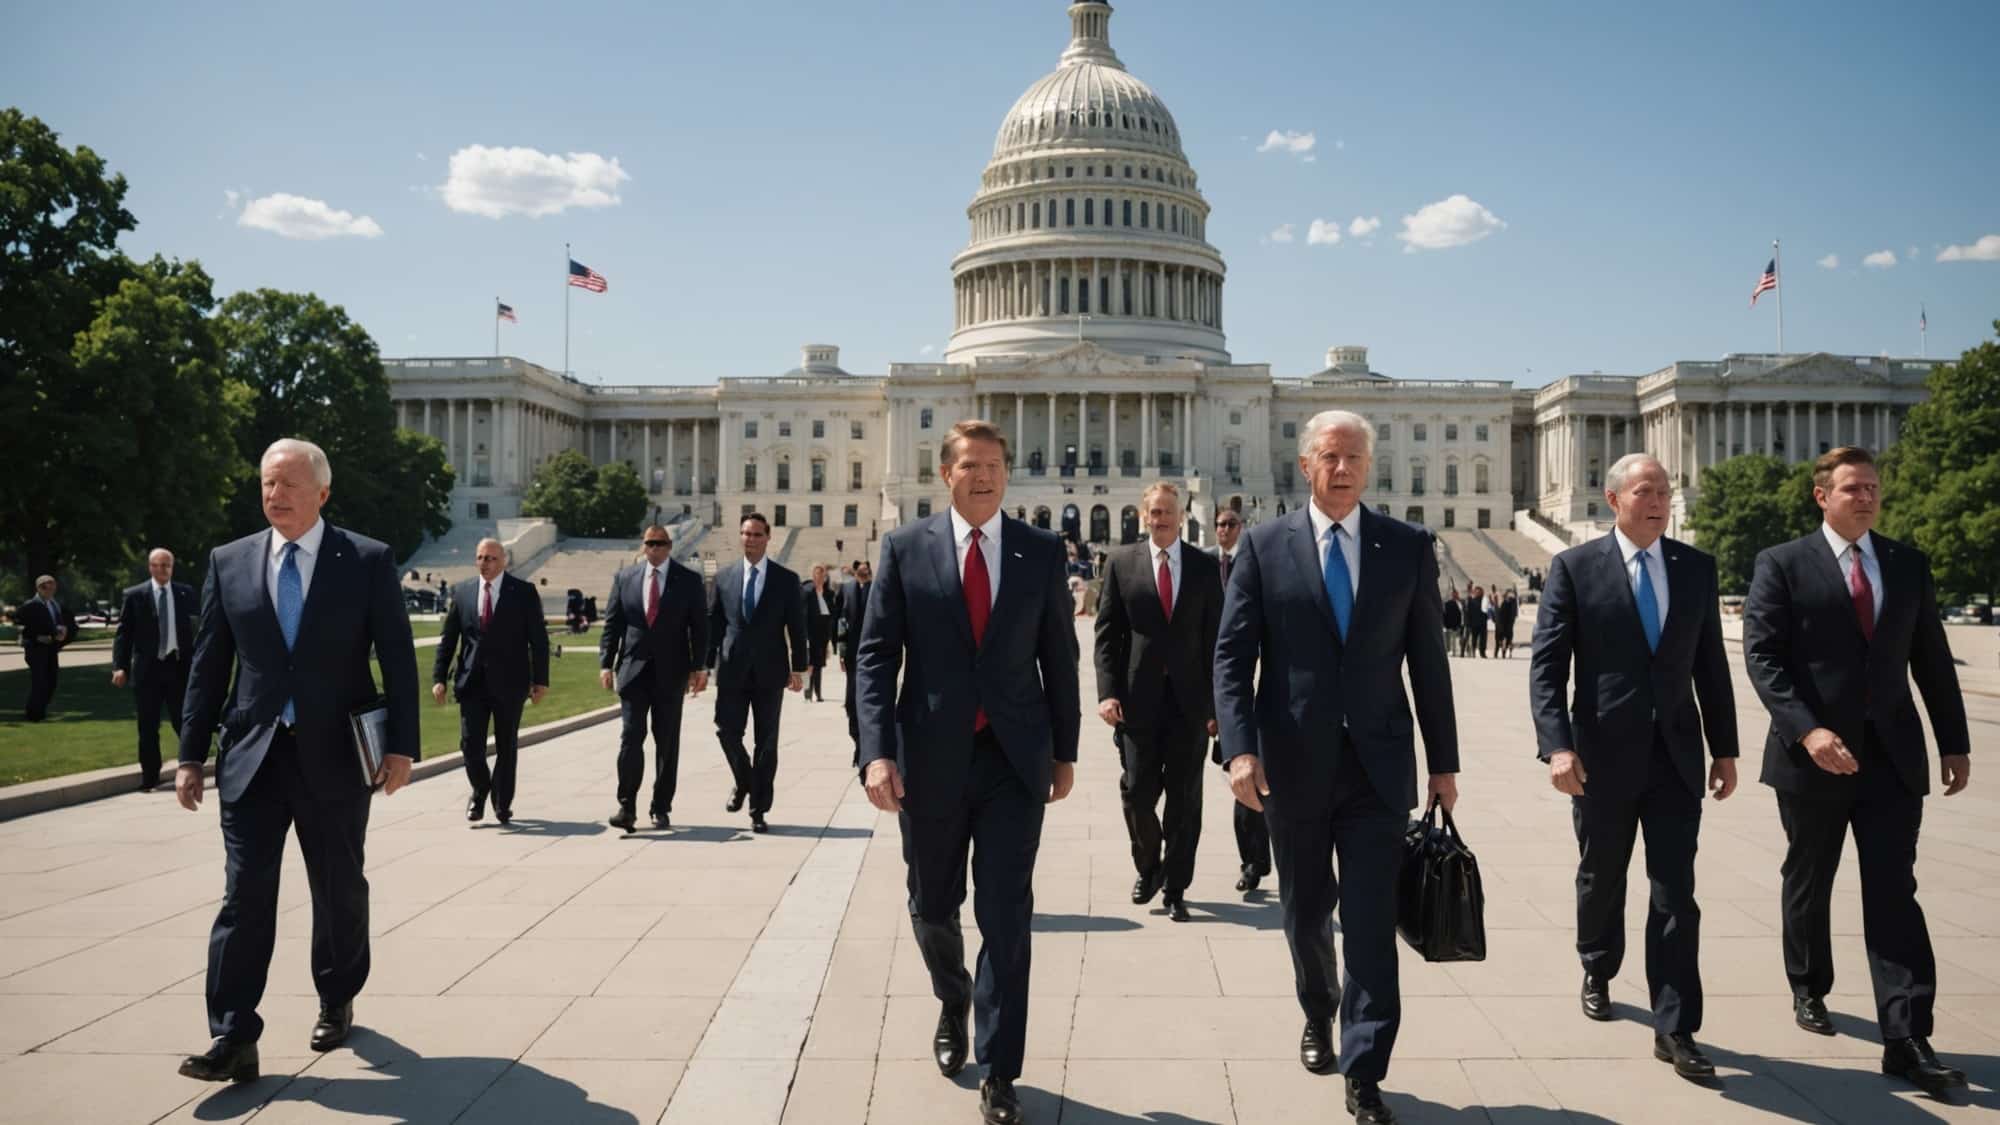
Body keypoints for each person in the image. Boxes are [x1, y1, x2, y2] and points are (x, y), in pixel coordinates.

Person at [1213, 409, 1458, 1125]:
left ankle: (1366, 1067)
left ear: (1368, 465)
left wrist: (1443, 762)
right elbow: (1232, 657)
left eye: (1354, 456)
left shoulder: (1407, 546)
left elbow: (1429, 662)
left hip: (1379, 766)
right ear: (1305, 465)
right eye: (1330, 455)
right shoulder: (1263, 546)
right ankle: (1318, 1008)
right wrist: (1239, 748)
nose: (1343, 467)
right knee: (1306, 911)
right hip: (1293, 761)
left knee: (1373, 920)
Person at [174, 438, 419, 1083]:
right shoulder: (230, 562)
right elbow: (209, 664)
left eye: (286, 483)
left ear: (322, 492)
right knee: (242, 897)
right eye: (266, 483)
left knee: (337, 888)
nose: (274, 494)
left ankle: (336, 995)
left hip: (336, 756)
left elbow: (396, 655)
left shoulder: (365, 560)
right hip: (252, 758)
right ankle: (233, 1032)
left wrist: (401, 746)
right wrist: (190, 755)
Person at [856, 419, 1079, 1125]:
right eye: (971, 465)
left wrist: (1065, 749)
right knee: (931, 904)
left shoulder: (1041, 550)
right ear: (945, 474)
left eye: (995, 464)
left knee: (1008, 916)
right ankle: (954, 995)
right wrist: (876, 750)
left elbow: (1059, 658)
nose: (984, 476)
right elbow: (874, 657)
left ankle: (1000, 1069)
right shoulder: (904, 548)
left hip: (1014, 759)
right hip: (930, 756)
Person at [1743, 446, 1972, 1095]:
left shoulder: (1905, 564)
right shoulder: (1782, 564)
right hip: (1812, 757)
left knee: (1894, 889)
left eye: (1872, 487)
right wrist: (1807, 728)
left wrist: (1953, 741)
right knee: (1810, 878)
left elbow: (1932, 657)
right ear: (1823, 495)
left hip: (1893, 757)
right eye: (1852, 488)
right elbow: (1765, 659)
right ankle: (1810, 986)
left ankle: (1905, 1033)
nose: (1866, 497)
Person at [1528, 453, 1737, 1081]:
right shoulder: (1574, 568)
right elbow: (1547, 667)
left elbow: (1711, 667)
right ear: (1612, 499)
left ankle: (1676, 1025)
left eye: (1665, 491)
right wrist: (1556, 746)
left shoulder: (1694, 568)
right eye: (1645, 491)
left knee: (1677, 893)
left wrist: (1724, 747)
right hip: (1600, 755)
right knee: (1602, 876)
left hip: (1675, 755)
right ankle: (1597, 962)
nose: (1658, 501)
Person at [1095, 482, 1224, 923]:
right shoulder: (1120, 563)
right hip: (1137, 701)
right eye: (1154, 512)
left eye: (1168, 511)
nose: (1161, 518)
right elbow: (1107, 636)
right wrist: (1107, 692)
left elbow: (1217, 640)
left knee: (1186, 802)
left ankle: (1175, 886)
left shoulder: (1205, 568)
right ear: (1143, 516)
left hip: (1190, 705)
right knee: (1137, 794)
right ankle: (1149, 865)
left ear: (1181, 515)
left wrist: (1218, 705)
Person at [432, 539, 550, 825]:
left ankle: (502, 804)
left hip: (511, 682)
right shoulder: (463, 592)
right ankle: (482, 788)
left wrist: (540, 680)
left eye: (491, 558)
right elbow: (449, 640)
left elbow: (538, 640)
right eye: (480, 558)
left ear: (504, 561)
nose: (485, 563)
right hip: (472, 681)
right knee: (470, 744)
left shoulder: (523, 592)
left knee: (507, 745)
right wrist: (439, 678)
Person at [599, 525, 709, 831]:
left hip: (671, 671)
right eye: (650, 543)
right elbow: (613, 624)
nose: (655, 548)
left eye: (660, 543)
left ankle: (661, 806)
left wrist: (700, 667)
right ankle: (626, 806)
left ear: (670, 546)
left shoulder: (688, 581)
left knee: (667, 741)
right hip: (633, 670)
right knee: (631, 737)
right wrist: (605, 664)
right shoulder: (625, 578)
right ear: (643, 546)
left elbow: (699, 627)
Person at [707, 514, 807, 833]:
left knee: (767, 742)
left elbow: (797, 626)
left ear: (768, 538)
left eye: (756, 534)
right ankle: (745, 780)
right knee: (726, 731)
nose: (750, 539)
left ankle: (758, 809)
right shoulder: (723, 578)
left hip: (770, 669)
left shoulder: (786, 579)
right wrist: (703, 666)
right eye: (746, 533)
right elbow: (714, 626)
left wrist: (798, 668)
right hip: (732, 667)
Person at [1207, 509, 1269, 894]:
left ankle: (1262, 858)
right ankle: (1253, 860)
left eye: (1231, 523)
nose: (1225, 530)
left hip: (1269, 692)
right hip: (1230, 694)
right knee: (1242, 780)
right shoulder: (1203, 569)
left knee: (1263, 785)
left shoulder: (1263, 563)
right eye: (1221, 524)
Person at [112, 549, 197, 790]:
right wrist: (120, 666)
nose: (162, 570)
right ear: (150, 567)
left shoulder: (185, 593)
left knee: (185, 723)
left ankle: (191, 769)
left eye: (166, 565)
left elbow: (197, 629)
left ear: (172, 567)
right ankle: (150, 777)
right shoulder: (134, 595)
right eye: (157, 565)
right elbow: (124, 634)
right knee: (148, 726)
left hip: (178, 667)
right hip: (147, 672)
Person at [17, 574, 75, 721]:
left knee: (51, 681)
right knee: (39, 681)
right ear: (39, 588)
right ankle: (34, 714)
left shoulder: (53, 604)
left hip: (51, 648)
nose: (51, 590)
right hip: (36, 649)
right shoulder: (30, 605)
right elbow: (21, 628)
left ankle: (40, 710)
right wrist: (36, 637)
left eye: (52, 587)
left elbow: (60, 621)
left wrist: (63, 631)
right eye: (47, 587)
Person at [839, 560, 873, 764]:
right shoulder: (847, 589)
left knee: (868, 702)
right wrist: (841, 652)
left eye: (865, 569)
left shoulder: (877, 588)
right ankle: (858, 743)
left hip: (872, 655)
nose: (863, 571)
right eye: (859, 569)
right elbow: (841, 620)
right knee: (851, 703)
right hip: (852, 655)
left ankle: (866, 749)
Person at [801, 563, 840, 702]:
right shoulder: (807, 591)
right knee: (809, 666)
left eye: (822, 574)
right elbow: (803, 615)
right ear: (813, 575)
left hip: (822, 635)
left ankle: (818, 693)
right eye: (817, 574)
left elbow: (832, 613)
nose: (820, 577)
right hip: (810, 634)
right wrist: (804, 636)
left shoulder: (829, 593)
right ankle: (807, 692)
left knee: (819, 665)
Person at [1465, 583, 1488, 658]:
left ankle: (1482, 653)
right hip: (1474, 623)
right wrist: (1468, 623)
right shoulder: (1472, 601)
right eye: (1477, 592)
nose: (1478, 593)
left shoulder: (1484, 600)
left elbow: (1487, 610)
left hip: (1483, 623)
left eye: (1480, 592)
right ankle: (1473, 652)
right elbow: (1468, 612)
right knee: (1474, 639)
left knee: (1483, 640)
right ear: (1475, 593)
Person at [1494, 587, 1519, 658]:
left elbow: (1514, 601)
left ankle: (1504, 652)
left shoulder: (1511, 602)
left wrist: (1514, 592)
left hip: (1508, 623)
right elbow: (1496, 610)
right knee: (1499, 639)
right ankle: (1497, 653)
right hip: (1500, 623)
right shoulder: (1500, 603)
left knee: (1508, 638)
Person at [1441, 589, 1463, 658]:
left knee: (1456, 639)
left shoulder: (1461, 603)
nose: (1455, 595)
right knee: (1449, 639)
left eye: (1456, 594)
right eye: (1454, 594)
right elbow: (1444, 614)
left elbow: (1461, 614)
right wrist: (1444, 624)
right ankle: (1449, 651)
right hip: (1450, 624)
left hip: (1459, 624)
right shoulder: (1448, 603)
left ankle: (1455, 652)